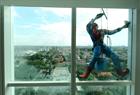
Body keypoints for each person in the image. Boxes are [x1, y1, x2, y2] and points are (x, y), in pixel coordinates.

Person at [79, 13, 130, 78]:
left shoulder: (102, 31)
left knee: (115, 56)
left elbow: (112, 32)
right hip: (97, 47)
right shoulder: (90, 31)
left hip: (103, 46)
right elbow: (88, 25)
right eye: (93, 28)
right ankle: (87, 73)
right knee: (95, 56)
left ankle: (120, 72)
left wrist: (123, 27)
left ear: (97, 27)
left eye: (95, 28)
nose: (94, 29)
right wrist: (96, 17)